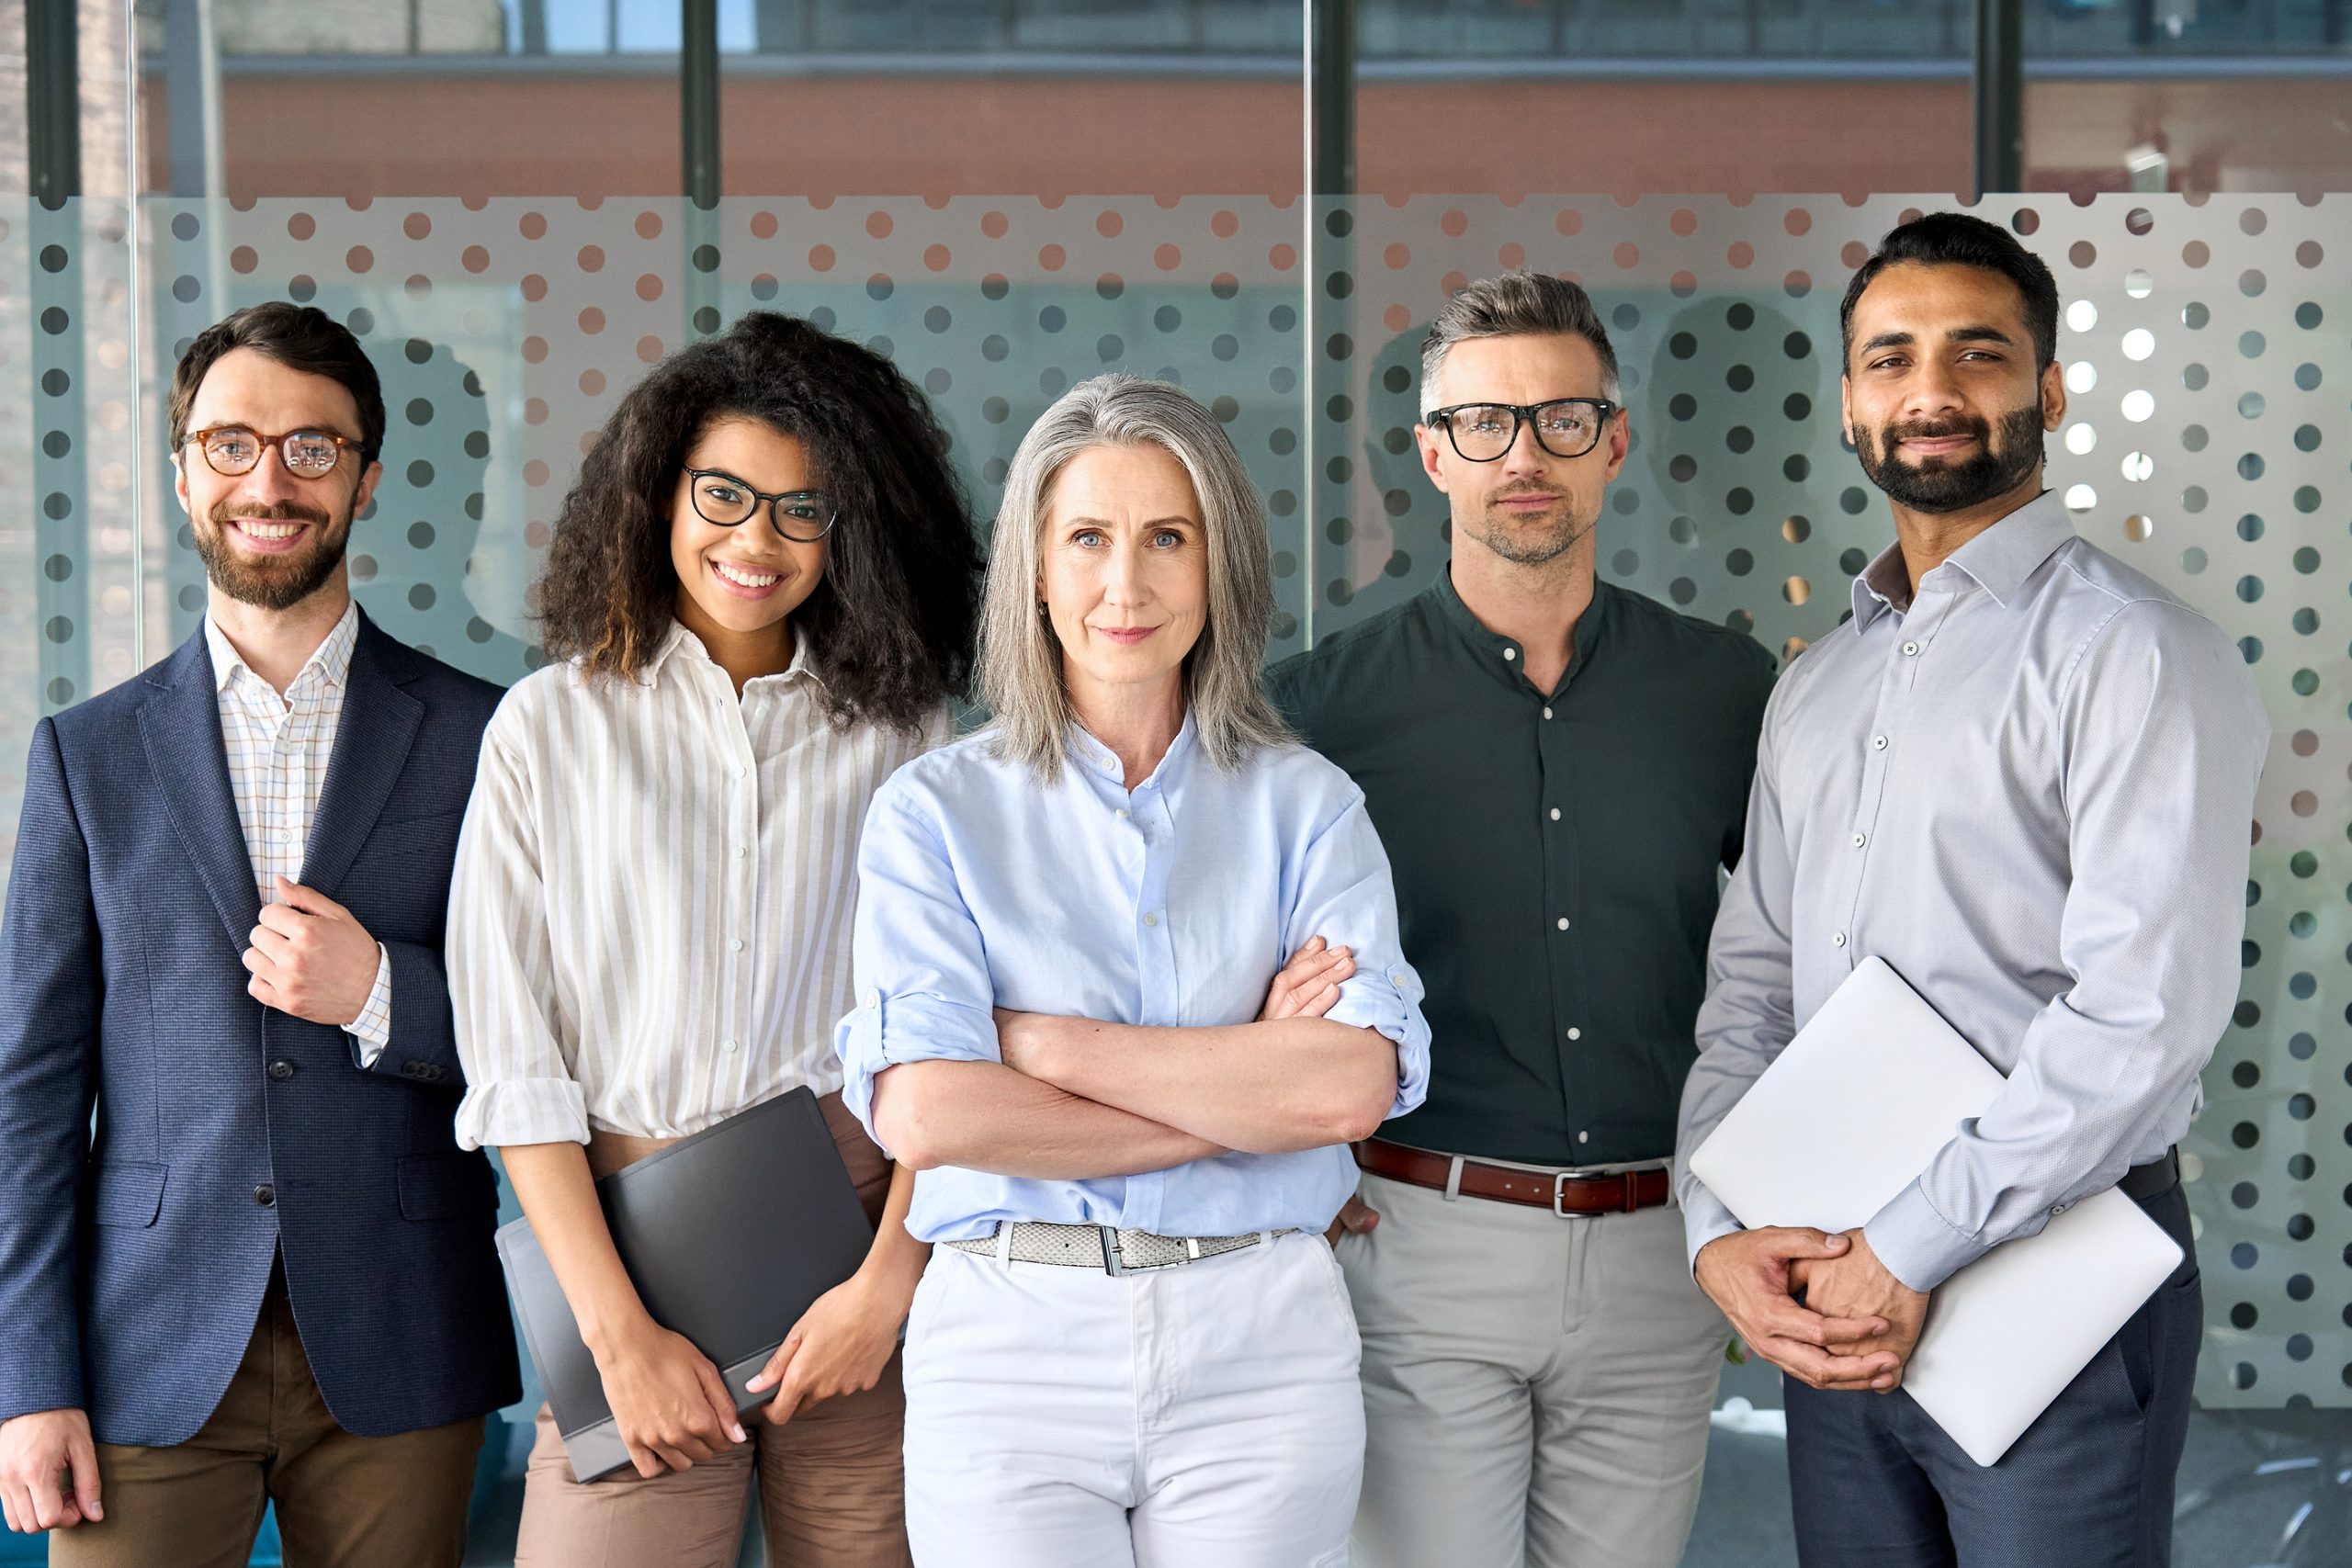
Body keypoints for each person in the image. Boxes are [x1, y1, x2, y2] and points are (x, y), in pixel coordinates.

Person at [1676, 212, 2269, 1567]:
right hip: (1833, 1290)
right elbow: (1750, 986)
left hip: (2050, 1278)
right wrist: (1721, 1230)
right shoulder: (1816, 689)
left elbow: (2143, 1011)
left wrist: (1911, 1243)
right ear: (1849, 400)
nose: (1930, 392)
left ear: (2049, 393)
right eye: (1891, 359)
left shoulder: (2137, 657)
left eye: (1978, 354)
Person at [839, 373, 1431, 1568]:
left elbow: (1345, 1093)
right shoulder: (934, 814)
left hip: (1260, 1340)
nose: (1128, 584)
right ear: (1038, 569)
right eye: (1089, 539)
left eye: (1170, 537)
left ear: (1220, 567)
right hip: (1012, 1342)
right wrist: (1242, 1093)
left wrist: (1042, 1047)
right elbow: (930, 1108)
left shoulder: (1307, 808)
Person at [447, 310, 980, 1568]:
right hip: (631, 1247)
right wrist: (617, 1337)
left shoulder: (909, 735)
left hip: (861, 1244)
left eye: (804, 510)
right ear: (657, 492)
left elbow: (962, 1038)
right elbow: (519, 1070)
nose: (758, 541)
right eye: (725, 494)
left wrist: (884, 1293)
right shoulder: (546, 730)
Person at [1268, 272, 1777, 1568]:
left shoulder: (1726, 691)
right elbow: (1230, 976)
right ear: (1433, 456)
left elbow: (1801, 958)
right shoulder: (1318, 711)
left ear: (1613, 442)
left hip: (1664, 1253)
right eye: (1485, 425)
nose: (1524, 456)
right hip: (1420, 1241)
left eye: (1561, 420)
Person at [0, 301, 518, 1566]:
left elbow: (555, 1029)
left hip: (402, 1339)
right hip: (145, 1347)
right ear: (182, 472)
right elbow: (29, 1092)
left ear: (368, 477)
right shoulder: (86, 757)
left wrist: (381, 995)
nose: (269, 481)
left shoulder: (487, 735)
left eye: (311, 448)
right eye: (231, 445)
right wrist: (27, 1379)